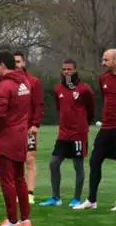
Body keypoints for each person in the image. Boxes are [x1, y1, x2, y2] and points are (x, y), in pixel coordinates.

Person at [74, 48, 116, 212]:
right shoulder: (103, 78)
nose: (102, 63)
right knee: (94, 160)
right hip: (106, 127)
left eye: (106, 60)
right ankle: (91, 200)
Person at [0, 51, 33, 226]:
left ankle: (12, 221)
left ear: (2, 65)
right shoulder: (25, 82)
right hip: (21, 136)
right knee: (19, 178)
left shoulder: (4, 86)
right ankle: (25, 219)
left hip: (6, 138)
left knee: (7, 181)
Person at [40, 59, 95, 207]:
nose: (66, 72)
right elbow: (60, 108)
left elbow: (91, 109)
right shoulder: (58, 89)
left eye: (69, 69)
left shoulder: (84, 89)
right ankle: (55, 198)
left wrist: (84, 124)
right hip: (63, 134)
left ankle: (76, 199)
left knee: (78, 165)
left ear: (75, 70)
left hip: (78, 134)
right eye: (64, 69)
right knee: (53, 163)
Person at [14, 51, 44, 205]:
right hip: (12, 129)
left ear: (24, 63)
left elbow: (38, 105)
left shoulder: (33, 82)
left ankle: (29, 193)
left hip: (28, 128)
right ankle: (17, 192)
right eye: (14, 62)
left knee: (30, 159)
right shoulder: (6, 83)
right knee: (14, 161)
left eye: (19, 62)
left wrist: (35, 124)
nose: (17, 65)